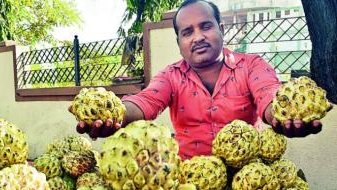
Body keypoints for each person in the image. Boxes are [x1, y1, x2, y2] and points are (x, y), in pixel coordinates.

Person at [72, 0, 328, 159]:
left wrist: (282, 116)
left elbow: (269, 95)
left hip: (246, 179)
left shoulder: (251, 65)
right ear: (179, 42)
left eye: (205, 26)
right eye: (187, 32)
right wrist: (113, 114)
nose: (197, 37)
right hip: (192, 183)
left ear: (221, 29)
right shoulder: (171, 76)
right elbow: (144, 102)